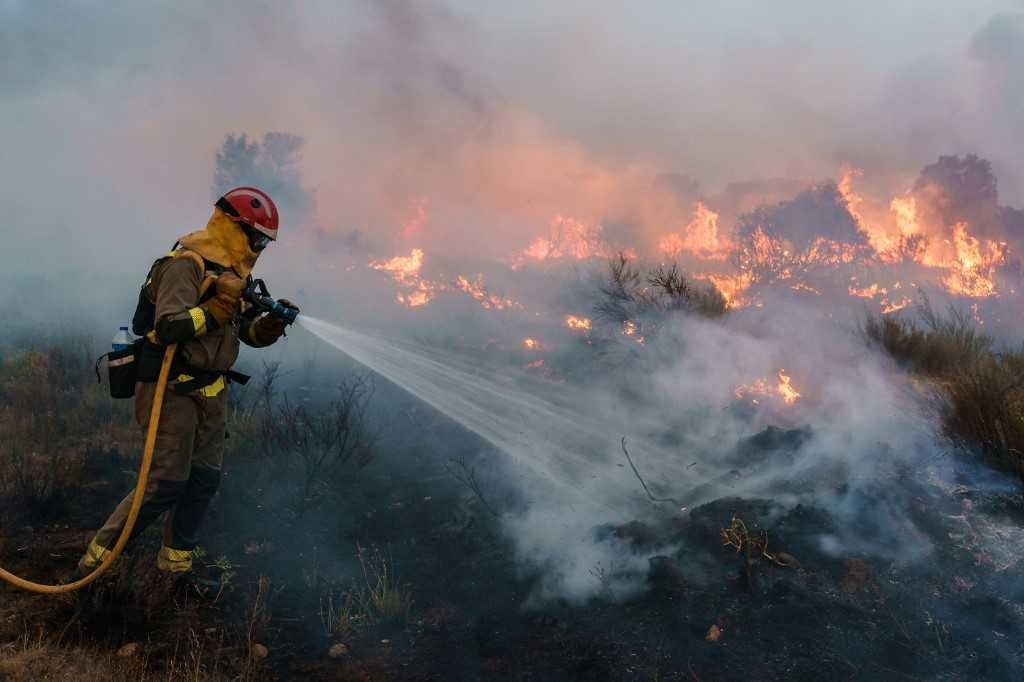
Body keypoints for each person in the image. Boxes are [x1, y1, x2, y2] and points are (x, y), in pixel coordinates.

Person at [75, 187, 296, 590]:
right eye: (257, 238)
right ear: (233, 227)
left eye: (265, 243)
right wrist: (216, 308)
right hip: (172, 387)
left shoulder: (234, 274)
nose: (260, 248)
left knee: (203, 482)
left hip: (212, 392)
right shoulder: (185, 264)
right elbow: (169, 326)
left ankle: (175, 571)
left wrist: (271, 324)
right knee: (164, 484)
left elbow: (246, 333)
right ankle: (92, 568)